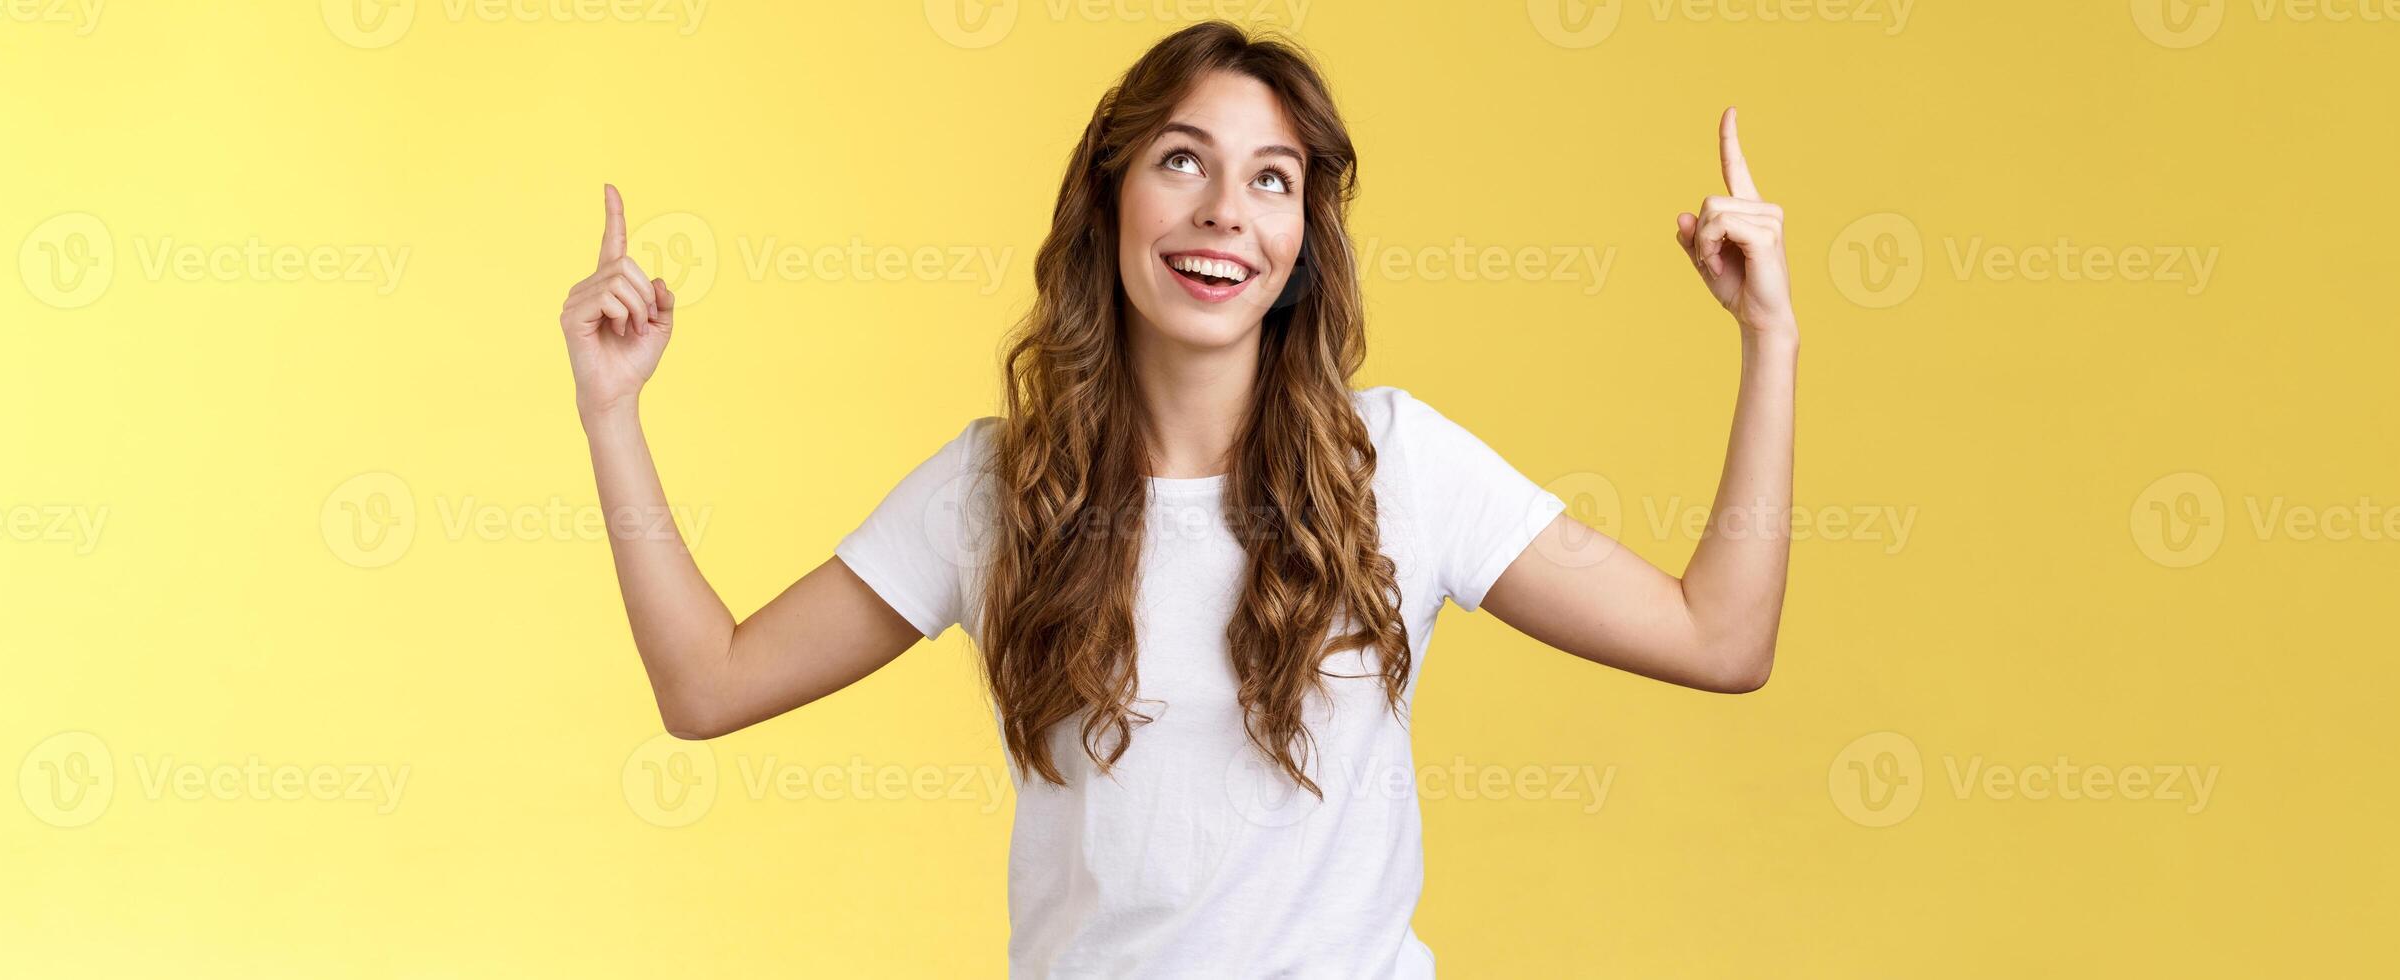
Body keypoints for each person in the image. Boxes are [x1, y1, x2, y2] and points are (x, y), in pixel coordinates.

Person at [557, 20, 1797, 979]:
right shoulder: (999, 491)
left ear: (1302, 236)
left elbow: (1718, 636)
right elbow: (706, 684)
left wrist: (1769, 337)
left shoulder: (1399, 465)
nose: (1222, 212)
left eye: (1270, 180)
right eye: (1181, 162)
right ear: (1108, 199)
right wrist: (612, 412)